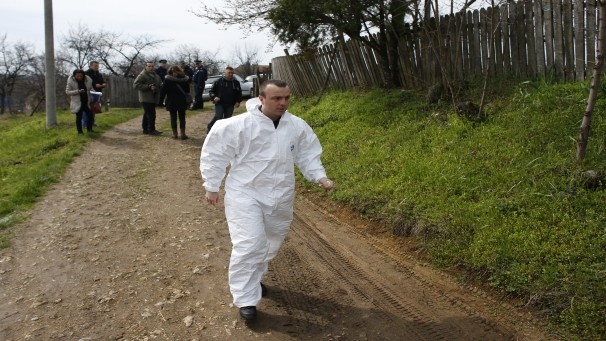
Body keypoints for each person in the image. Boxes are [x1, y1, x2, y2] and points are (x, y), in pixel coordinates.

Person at [199, 79, 335, 321]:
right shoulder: (237, 125)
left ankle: (253, 280)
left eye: (286, 98)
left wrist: (320, 177)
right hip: (245, 193)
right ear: (261, 99)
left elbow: (307, 153)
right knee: (249, 244)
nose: (283, 103)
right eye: (277, 98)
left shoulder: (296, 126)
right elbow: (215, 153)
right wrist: (212, 185)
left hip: (281, 194)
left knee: (270, 242)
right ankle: (246, 299)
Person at [207, 66, 242, 133]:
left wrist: (238, 101)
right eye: (229, 73)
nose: (231, 74)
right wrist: (214, 97)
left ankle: (224, 131)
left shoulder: (236, 83)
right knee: (219, 116)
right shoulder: (218, 82)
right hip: (220, 103)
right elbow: (211, 91)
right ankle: (210, 127)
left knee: (227, 119)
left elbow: (239, 93)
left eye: (232, 73)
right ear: (225, 73)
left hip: (230, 103)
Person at [133, 61, 163, 135]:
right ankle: (151, 130)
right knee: (151, 114)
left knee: (147, 114)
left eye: (152, 66)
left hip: (153, 98)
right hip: (145, 98)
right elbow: (135, 85)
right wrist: (148, 87)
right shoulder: (142, 75)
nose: (151, 68)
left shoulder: (156, 75)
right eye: (149, 66)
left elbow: (159, 84)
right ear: (146, 67)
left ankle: (145, 129)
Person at [161, 65, 190, 139]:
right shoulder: (184, 79)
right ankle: (182, 134)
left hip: (171, 100)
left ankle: (175, 134)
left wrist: (160, 101)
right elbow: (187, 90)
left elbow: (163, 91)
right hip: (181, 100)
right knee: (182, 117)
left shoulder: (167, 80)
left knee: (173, 117)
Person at [65, 69, 94, 134]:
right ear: (74, 75)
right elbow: (67, 92)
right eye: (77, 76)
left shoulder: (88, 80)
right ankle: (80, 132)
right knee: (79, 117)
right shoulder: (70, 81)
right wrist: (78, 91)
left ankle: (89, 130)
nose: (79, 77)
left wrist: (93, 91)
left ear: (83, 75)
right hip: (77, 102)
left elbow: (91, 88)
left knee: (90, 116)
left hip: (87, 102)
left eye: (81, 76)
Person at [84, 60, 106, 126]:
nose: (97, 67)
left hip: (97, 93)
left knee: (94, 109)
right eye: (95, 66)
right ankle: (86, 124)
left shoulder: (99, 74)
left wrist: (103, 84)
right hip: (89, 93)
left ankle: (92, 123)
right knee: (87, 108)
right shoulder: (86, 73)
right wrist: (94, 85)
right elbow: (86, 83)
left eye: (98, 66)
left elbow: (102, 81)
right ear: (90, 66)